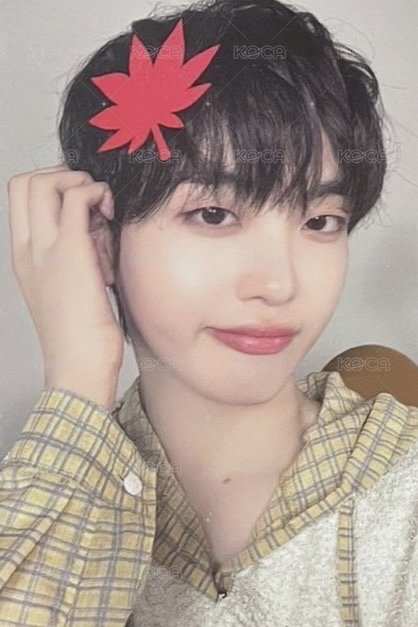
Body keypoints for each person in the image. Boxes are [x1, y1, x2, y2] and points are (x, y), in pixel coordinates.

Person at [1, 0, 417, 625]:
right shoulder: (42, 497)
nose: (279, 284)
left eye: (320, 221)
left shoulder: (402, 487)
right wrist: (78, 374)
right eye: (214, 214)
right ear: (99, 238)